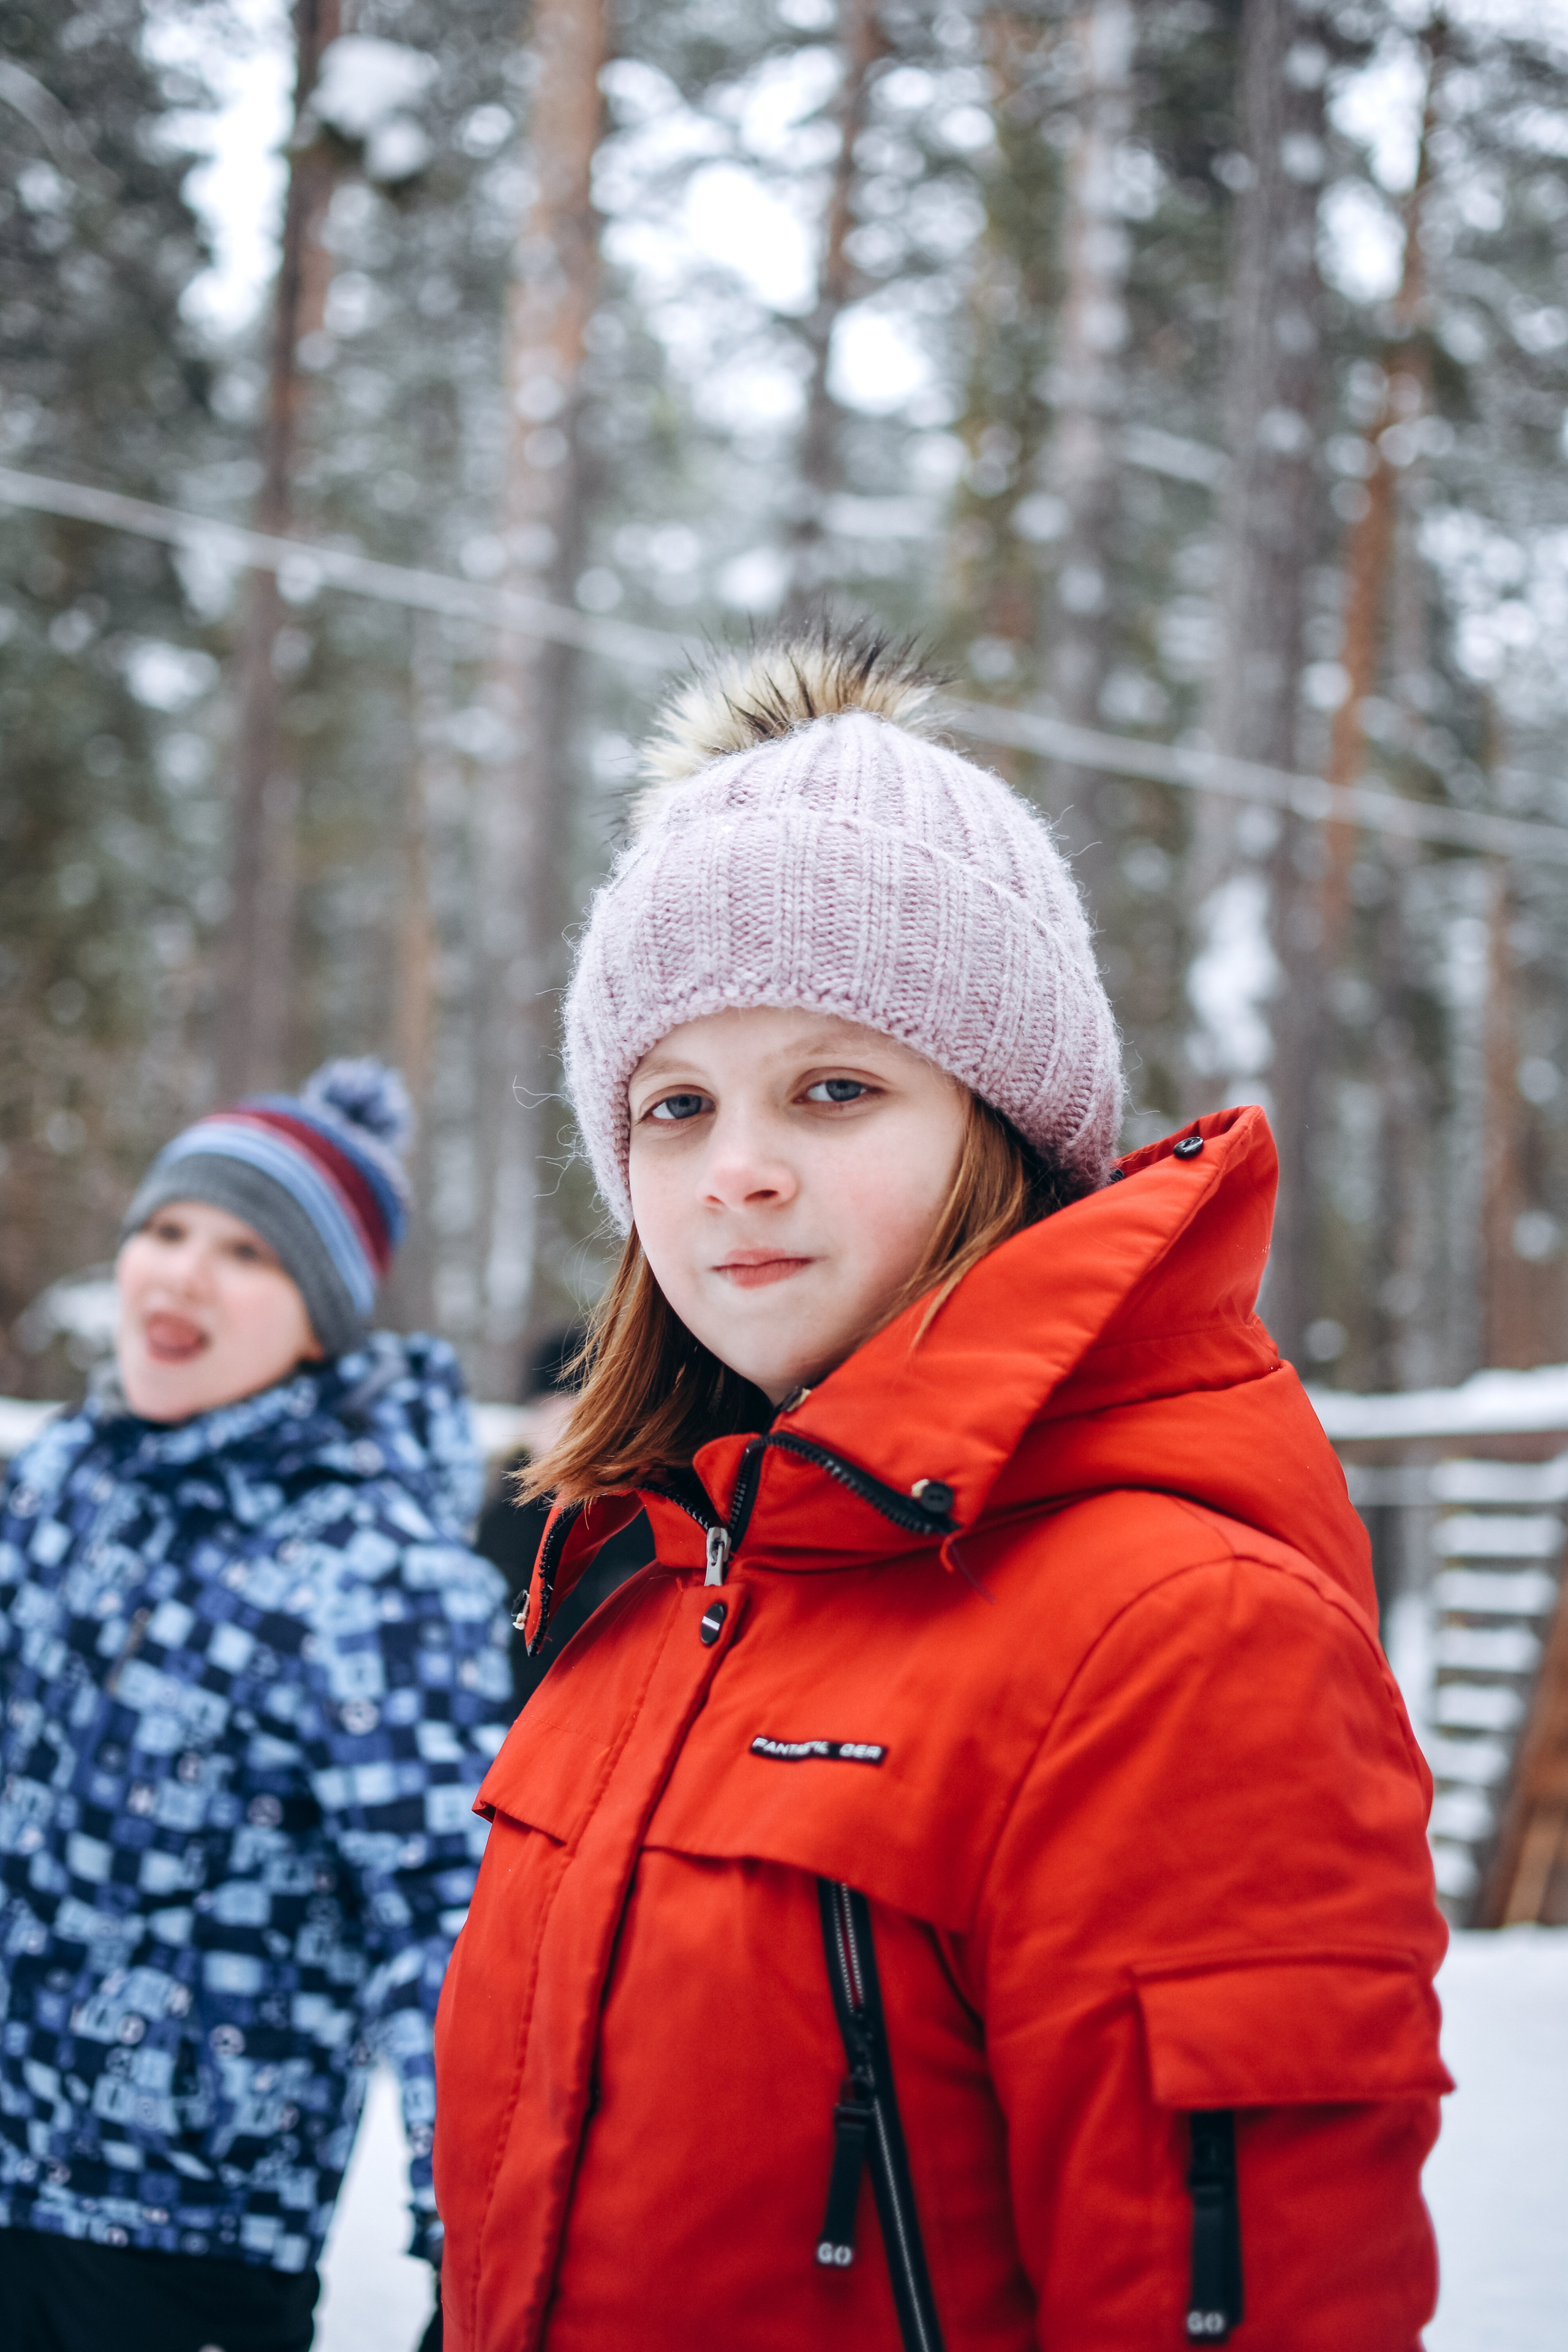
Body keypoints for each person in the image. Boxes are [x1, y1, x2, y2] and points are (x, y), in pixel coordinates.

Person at [432, 624, 1450, 2352]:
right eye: (673, 1106)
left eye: (835, 1088)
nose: (736, 1172)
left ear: (1007, 1126)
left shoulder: (1176, 1636)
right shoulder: (640, 1592)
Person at [0, 1061, 511, 2352]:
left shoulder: (379, 1575)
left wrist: (477, 2237)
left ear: (321, 1321)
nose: (179, 1274)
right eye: (165, 1230)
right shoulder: (57, 1483)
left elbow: (449, 1924)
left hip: (182, 2243)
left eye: (247, 1252)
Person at [472, 1328, 652, 1716]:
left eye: (570, 1410)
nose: (554, 1429)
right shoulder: (507, 1507)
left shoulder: (638, 1510)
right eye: (545, 1409)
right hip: (516, 1708)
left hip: (606, 1702)